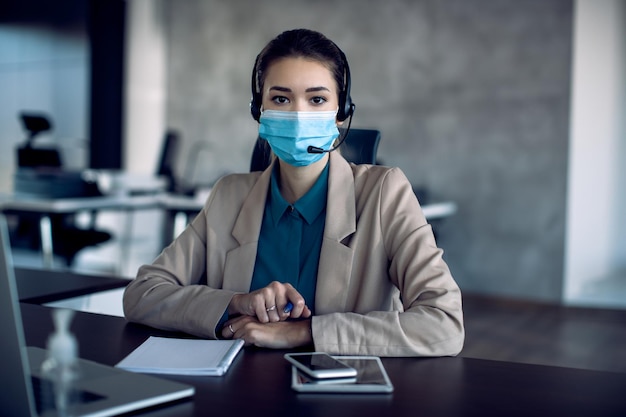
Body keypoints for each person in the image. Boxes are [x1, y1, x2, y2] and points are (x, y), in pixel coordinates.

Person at [123, 28, 464, 357]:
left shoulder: (384, 193)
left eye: (317, 99)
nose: (299, 115)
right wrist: (234, 304)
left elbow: (444, 324)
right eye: (281, 98)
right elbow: (142, 294)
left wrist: (305, 332)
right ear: (260, 110)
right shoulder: (229, 195)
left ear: (341, 112)